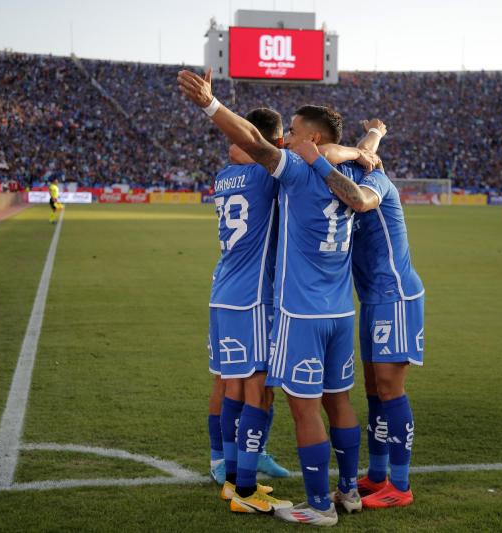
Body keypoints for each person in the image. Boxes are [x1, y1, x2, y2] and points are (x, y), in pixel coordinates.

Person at [178, 68, 374, 526]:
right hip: (308, 305)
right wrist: (366, 145)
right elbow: (293, 151)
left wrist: (212, 104)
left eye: (294, 133)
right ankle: (251, 484)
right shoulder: (332, 180)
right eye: (283, 134)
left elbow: (258, 146)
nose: (287, 139)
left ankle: (235, 475)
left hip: (251, 297)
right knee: (278, 395)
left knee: (242, 387)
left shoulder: (249, 178)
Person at [310, 120, 424, 509]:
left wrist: (364, 147)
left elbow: (358, 196)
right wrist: (374, 135)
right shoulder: (352, 168)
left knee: (391, 389)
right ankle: (377, 475)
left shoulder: (373, 181)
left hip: (396, 295)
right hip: (373, 299)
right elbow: (350, 152)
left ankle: (401, 485)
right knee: (374, 390)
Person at [205, 107, 293, 514]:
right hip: (254, 296)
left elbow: (243, 150)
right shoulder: (266, 174)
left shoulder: (224, 177)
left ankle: (233, 477)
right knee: (258, 391)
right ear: (272, 142)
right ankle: (244, 489)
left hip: (223, 292)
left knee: (235, 389)